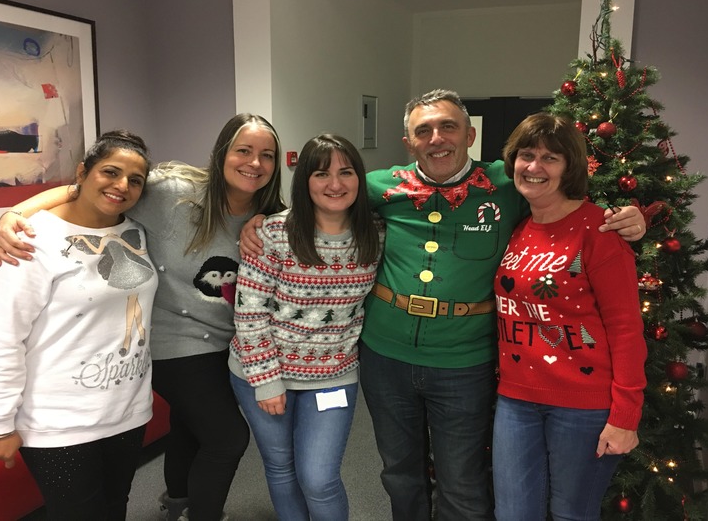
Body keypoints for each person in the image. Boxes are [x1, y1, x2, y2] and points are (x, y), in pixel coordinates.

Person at [240, 89, 647, 520]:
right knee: (399, 472)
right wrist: (263, 217)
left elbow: (568, 199)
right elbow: (324, 195)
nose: (437, 138)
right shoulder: (379, 186)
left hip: (464, 359)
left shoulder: (509, 183)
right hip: (385, 354)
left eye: (448, 126)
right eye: (424, 130)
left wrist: (633, 218)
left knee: (462, 480)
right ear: (409, 142)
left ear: (470, 134)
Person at [0, 114, 285, 521]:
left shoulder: (270, 217)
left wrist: (267, 221)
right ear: (221, 155)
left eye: (266, 155)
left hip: (218, 347)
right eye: (244, 151)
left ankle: (179, 500)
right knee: (227, 438)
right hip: (171, 342)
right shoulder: (173, 194)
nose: (255, 163)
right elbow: (89, 189)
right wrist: (14, 214)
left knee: (187, 425)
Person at [0, 131, 157, 520]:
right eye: (110, 172)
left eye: (135, 180)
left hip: (128, 410)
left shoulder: (135, 231)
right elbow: (3, 338)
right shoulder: (28, 240)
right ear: (83, 171)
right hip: (59, 424)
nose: (122, 186)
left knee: (115, 508)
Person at [492, 112, 646, 520]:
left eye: (550, 158)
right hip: (516, 398)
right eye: (526, 155)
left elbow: (627, 329)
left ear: (570, 167)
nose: (534, 167)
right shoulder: (519, 226)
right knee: (512, 513)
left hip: (583, 405)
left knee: (572, 515)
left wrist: (626, 415)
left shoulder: (600, 231)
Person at [229, 133, 383, 520]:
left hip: (334, 375)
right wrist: (266, 379)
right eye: (321, 174)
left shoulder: (377, 234)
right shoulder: (274, 233)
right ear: (304, 181)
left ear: (359, 179)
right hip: (263, 372)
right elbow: (250, 313)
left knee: (319, 478)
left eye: (346, 172)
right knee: (281, 468)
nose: (335, 184)